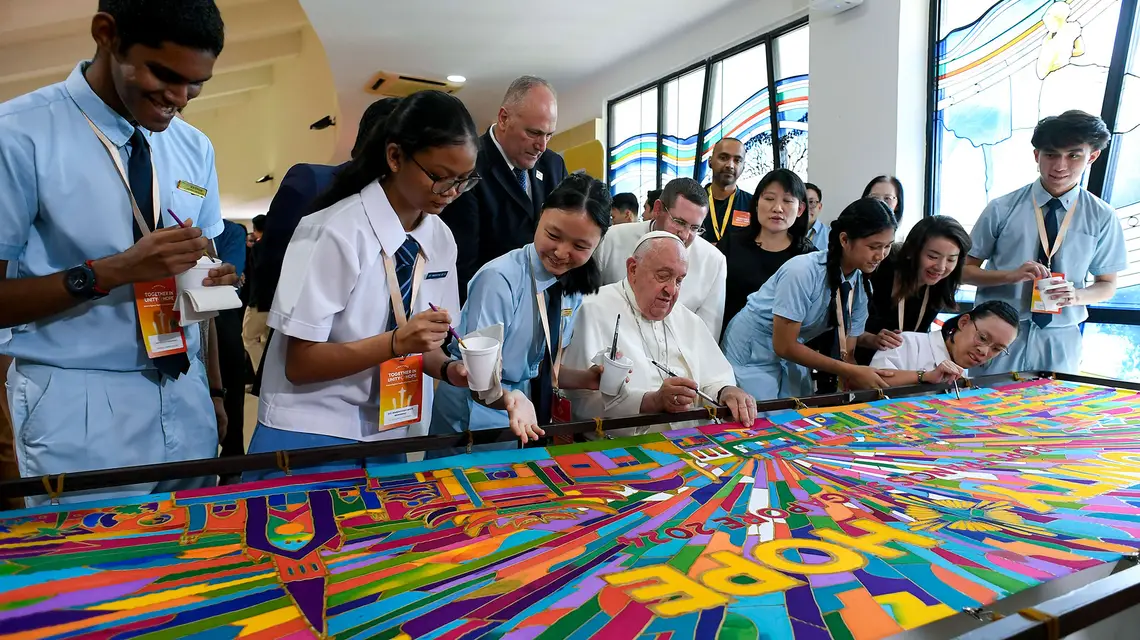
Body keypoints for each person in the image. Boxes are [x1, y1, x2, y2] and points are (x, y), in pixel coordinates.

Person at [0, 0, 238, 505]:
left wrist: (213, 389)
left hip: (186, 387)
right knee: (93, 575)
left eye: (196, 84)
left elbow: (203, 271)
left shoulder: (195, 147)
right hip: (79, 401)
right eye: (165, 74)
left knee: (192, 560)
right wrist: (113, 272)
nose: (180, 98)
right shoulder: (18, 134)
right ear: (106, 34)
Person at [247, 91, 480, 481]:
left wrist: (451, 369)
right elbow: (300, 363)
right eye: (439, 177)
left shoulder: (440, 239)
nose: (451, 192)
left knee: (380, 540)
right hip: (311, 429)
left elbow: (424, 345)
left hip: (388, 431)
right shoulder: (333, 230)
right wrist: (395, 343)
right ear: (395, 157)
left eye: (463, 180)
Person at [430, 174, 613, 452]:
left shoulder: (570, 286)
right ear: (540, 215)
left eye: (580, 246)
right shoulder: (500, 279)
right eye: (553, 235)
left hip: (519, 412)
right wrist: (511, 400)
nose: (562, 253)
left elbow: (539, 367)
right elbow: (477, 377)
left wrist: (588, 378)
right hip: (471, 416)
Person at [247, 98, 401, 393]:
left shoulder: (412, 208)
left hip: (382, 365)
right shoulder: (313, 182)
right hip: (309, 350)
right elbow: (275, 268)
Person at [964, 110, 1127, 375]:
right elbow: (962, 271)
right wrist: (1009, 276)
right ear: (1036, 155)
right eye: (1051, 154)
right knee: (988, 413)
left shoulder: (1102, 216)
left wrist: (1077, 295)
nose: (1060, 166)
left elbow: (1107, 285)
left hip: (1060, 338)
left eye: (1074, 155)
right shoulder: (1001, 208)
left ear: (1092, 157)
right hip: (997, 337)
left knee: (1056, 413)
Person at [564, 232, 756, 435]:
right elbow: (580, 402)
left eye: (680, 280)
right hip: (618, 449)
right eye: (663, 276)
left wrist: (726, 391)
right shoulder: (591, 309)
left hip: (689, 442)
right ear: (633, 269)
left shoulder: (687, 319)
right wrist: (651, 401)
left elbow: (715, 377)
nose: (672, 290)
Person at [722, 198, 898, 400]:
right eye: (874, 246)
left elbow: (847, 353)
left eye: (887, 246)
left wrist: (860, 378)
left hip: (790, 352)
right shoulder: (803, 271)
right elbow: (784, 345)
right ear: (844, 240)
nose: (881, 255)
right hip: (752, 351)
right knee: (758, 419)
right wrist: (851, 372)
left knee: (799, 416)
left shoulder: (859, 284)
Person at [441, 76, 569, 304]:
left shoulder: (553, 165)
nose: (542, 146)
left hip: (545, 302)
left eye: (549, 135)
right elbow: (463, 264)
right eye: (533, 133)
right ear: (503, 118)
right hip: (490, 304)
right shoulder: (469, 165)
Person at [593, 178, 727, 337]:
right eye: (679, 222)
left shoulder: (713, 262)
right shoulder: (611, 240)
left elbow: (707, 335)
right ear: (658, 209)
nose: (684, 235)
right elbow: (586, 306)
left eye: (694, 228)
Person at [855, 216, 971, 365]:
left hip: (899, 369)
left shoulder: (941, 287)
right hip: (858, 366)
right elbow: (841, 329)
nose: (941, 267)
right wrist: (872, 339)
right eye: (932, 256)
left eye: (951, 260)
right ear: (911, 251)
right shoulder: (879, 271)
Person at [718, 169, 814, 338]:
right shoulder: (730, 245)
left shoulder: (808, 258)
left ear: (800, 209)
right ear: (756, 203)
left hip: (783, 354)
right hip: (727, 346)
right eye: (769, 199)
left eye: (787, 201)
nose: (777, 208)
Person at [871, 301, 1020, 386]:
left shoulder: (963, 377)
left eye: (997, 349)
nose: (984, 351)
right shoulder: (906, 343)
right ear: (964, 322)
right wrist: (924, 376)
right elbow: (870, 384)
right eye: (982, 338)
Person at [702, 138, 753, 244]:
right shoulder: (691, 201)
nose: (730, 165)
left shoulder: (753, 204)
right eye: (723, 158)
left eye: (737, 160)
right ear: (710, 161)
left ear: (743, 167)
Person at [242, 213, 269, 370]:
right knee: (266, 339)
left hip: (259, 300)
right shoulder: (282, 244)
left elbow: (256, 276)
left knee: (249, 338)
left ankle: (262, 376)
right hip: (277, 301)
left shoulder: (259, 247)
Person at [805, 182, 829, 252]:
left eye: (811, 202)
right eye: (801, 202)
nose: (806, 208)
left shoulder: (830, 235)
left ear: (819, 207)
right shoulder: (785, 233)